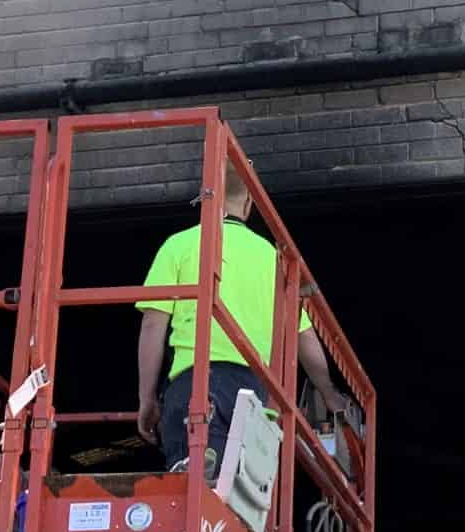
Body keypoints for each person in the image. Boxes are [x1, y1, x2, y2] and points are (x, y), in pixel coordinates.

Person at [135, 172, 347, 475]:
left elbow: (153, 327)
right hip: (254, 394)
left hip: (195, 384)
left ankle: (199, 466)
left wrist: (147, 399)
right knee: (241, 497)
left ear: (204, 199)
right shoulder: (274, 259)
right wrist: (328, 393)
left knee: (192, 491)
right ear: (248, 204)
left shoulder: (179, 245)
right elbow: (304, 336)